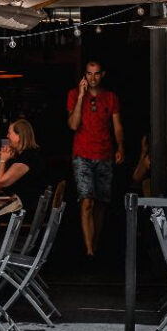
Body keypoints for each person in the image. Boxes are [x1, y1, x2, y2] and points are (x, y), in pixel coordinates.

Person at [67, 60, 124, 257]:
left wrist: (120, 148)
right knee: (87, 201)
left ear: (103, 74)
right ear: (84, 75)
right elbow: (73, 125)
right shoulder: (74, 95)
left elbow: (117, 125)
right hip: (82, 154)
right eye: (89, 74)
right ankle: (89, 250)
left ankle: (95, 243)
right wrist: (81, 96)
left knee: (101, 203)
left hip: (105, 154)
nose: (92, 78)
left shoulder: (111, 97)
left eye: (96, 74)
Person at [0, 118, 47, 218]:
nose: (7, 136)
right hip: (24, 209)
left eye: (9, 133)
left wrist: (2, 160)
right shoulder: (28, 154)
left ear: (19, 136)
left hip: (24, 213)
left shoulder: (27, 158)